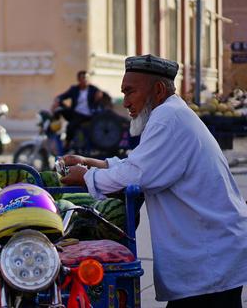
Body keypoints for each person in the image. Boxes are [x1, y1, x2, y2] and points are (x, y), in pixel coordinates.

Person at [60, 54, 247, 307]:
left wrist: (86, 177)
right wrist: (96, 164)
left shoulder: (168, 118)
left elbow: (138, 175)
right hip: (208, 258)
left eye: (130, 92)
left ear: (158, 90)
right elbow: (142, 164)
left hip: (209, 260)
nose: (125, 102)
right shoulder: (171, 113)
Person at [51, 70, 103, 150]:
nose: (85, 80)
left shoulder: (93, 89)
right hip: (74, 112)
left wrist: (99, 96)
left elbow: (104, 97)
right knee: (59, 108)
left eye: (87, 78)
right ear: (79, 80)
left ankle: (67, 143)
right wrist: (57, 101)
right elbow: (63, 96)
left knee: (71, 125)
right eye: (83, 78)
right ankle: (56, 126)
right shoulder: (74, 89)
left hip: (86, 115)